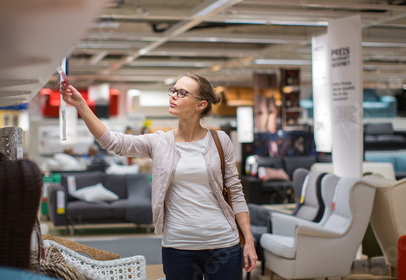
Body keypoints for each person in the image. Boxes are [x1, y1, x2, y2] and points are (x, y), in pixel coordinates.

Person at [60, 72, 258, 279]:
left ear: (200, 105)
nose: (173, 95)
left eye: (182, 93)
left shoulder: (220, 140)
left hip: (224, 244)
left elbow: (235, 193)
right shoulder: (160, 142)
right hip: (179, 246)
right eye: (173, 90)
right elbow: (112, 142)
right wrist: (82, 105)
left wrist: (249, 241)